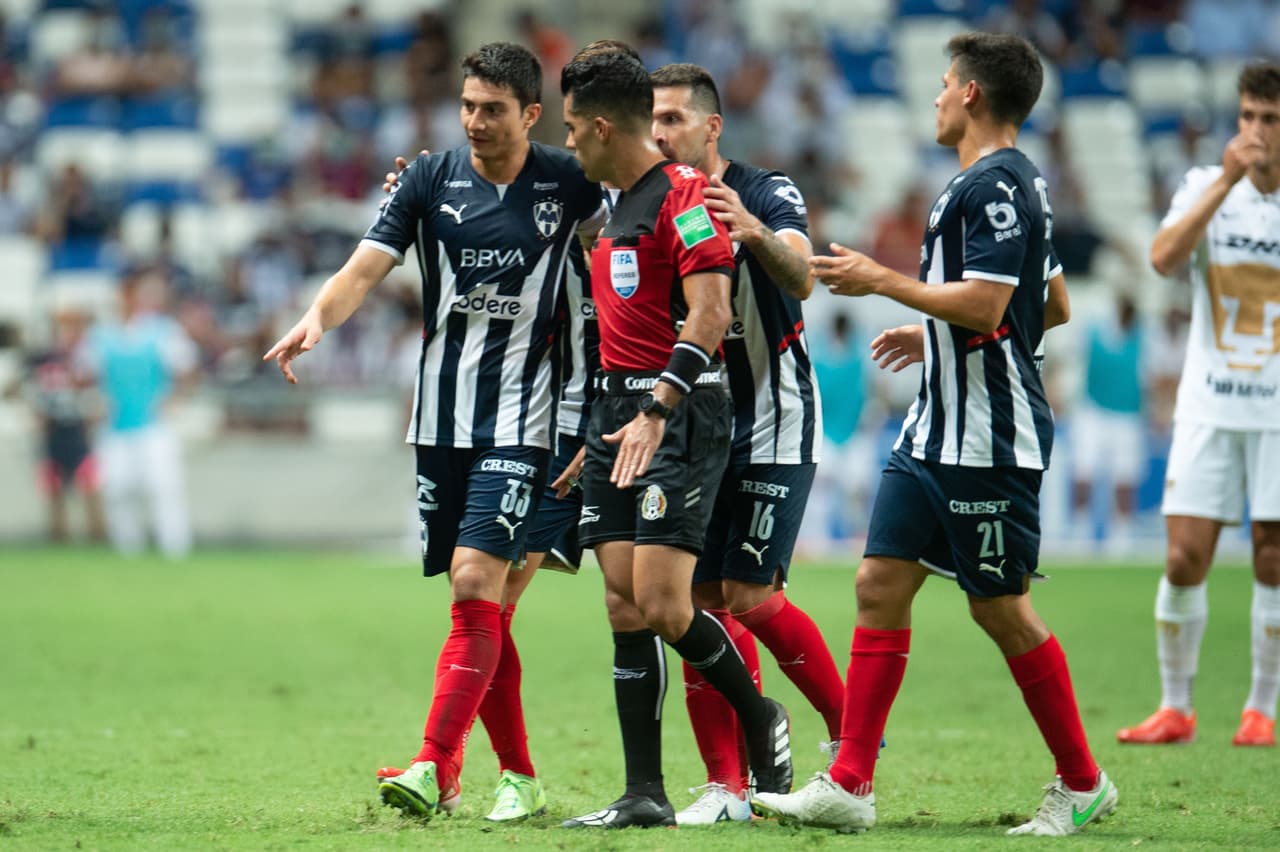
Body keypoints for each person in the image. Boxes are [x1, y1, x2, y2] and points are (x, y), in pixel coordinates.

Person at [753, 33, 1115, 837]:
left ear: (972, 94)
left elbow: (990, 306)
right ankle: (850, 783)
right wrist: (938, 340)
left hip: (989, 437)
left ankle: (1084, 782)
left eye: (947, 83)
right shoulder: (1012, 182)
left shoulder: (993, 186)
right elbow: (1048, 305)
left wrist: (882, 280)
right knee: (878, 584)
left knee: (1002, 612)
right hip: (932, 433)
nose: (939, 95)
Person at [264, 42, 605, 823]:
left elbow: (620, 259)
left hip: (527, 422)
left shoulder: (570, 182)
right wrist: (317, 319)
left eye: (493, 110)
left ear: (531, 114)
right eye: (467, 106)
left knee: (476, 584)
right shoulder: (427, 179)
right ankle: (514, 775)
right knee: (484, 612)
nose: (475, 121)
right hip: (441, 422)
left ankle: (433, 763)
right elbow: (364, 267)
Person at [556, 49, 792, 830]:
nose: (568, 143)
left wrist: (656, 408)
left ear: (600, 127)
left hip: (679, 411)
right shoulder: (614, 207)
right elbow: (622, 329)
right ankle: (644, 792)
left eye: (572, 128)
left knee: (663, 602)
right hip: (617, 415)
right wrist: (604, 424)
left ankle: (760, 716)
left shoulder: (684, 196)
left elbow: (712, 314)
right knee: (623, 604)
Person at [646, 62, 844, 826]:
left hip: (773, 418)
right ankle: (727, 787)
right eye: (652, 121)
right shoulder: (651, 205)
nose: (660, 133)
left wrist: (753, 231)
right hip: (699, 426)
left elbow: (802, 278)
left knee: (751, 596)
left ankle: (852, 741)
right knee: (696, 603)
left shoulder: (766, 191)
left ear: (711, 126)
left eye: (673, 119)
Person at [1116, 61, 1280, 749]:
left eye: (1269, 119)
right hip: (1209, 400)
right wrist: (1224, 183)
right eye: (1247, 116)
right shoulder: (1205, 185)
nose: (1256, 131)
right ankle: (1175, 707)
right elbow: (1162, 258)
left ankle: (1260, 708)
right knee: (1184, 557)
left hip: (1276, 408)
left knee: (1272, 557)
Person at [80, 267, 197, 559]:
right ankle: (127, 547)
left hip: (153, 423)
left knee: (163, 487)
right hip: (115, 425)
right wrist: (95, 400)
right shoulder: (100, 335)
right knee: (118, 489)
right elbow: (83, 375)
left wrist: (175, 399)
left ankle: (174, 547)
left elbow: (187, 369)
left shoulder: (163, 331)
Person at [18, 307, 105, 543]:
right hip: (53, 429)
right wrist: (33, 409)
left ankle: (97, 537)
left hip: (77, 428)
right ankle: (58, 538)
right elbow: (15, 387)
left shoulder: (87, 357)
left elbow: (99, 388)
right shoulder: (40, 359)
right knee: (54, 487)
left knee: (89, 484)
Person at [1069, 291, 1147, 549]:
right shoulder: (1093, 332)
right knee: (1084, 471)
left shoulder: (1143, 337)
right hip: (1093, 411)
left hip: (1128, 415)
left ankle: (1121, 534)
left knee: (1125, 477)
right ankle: (1080, 530)